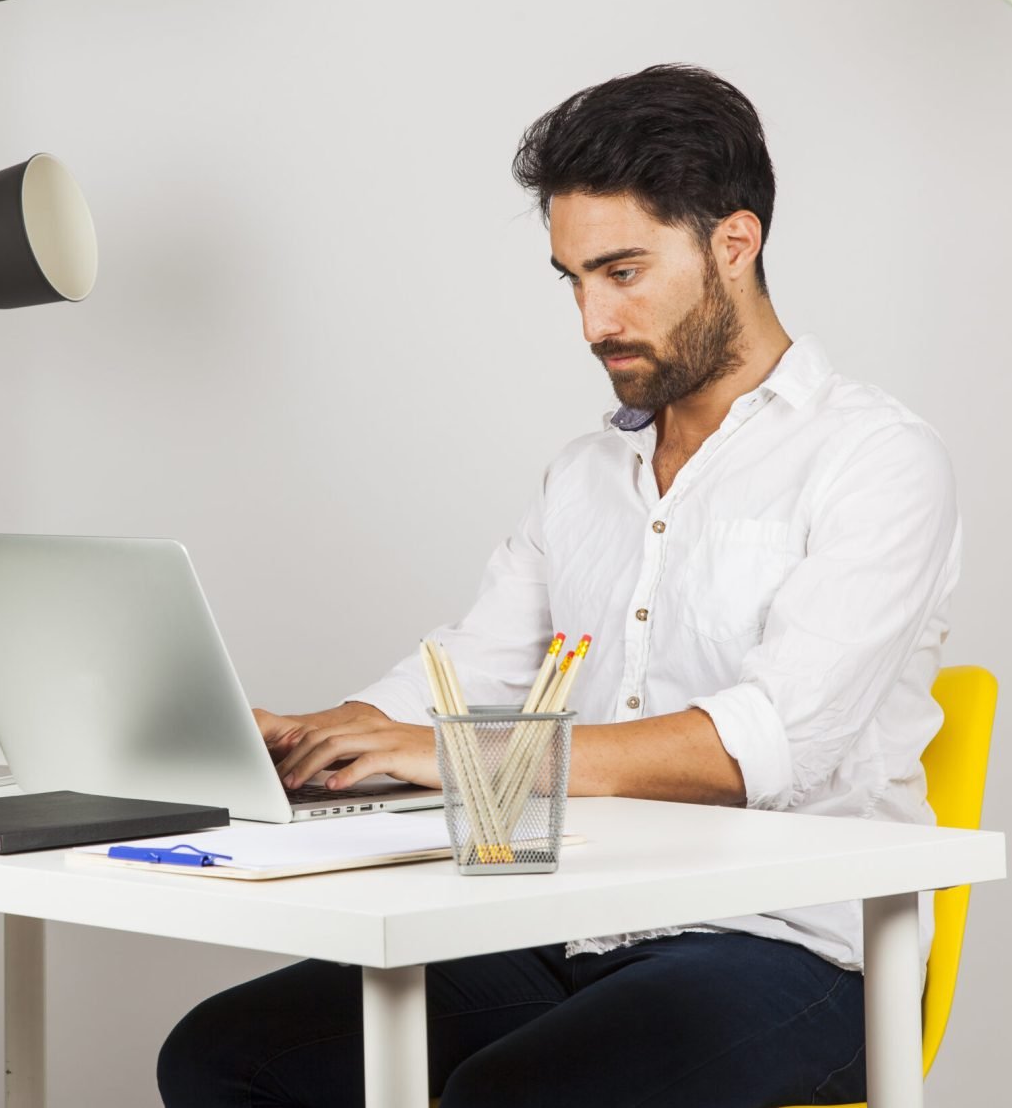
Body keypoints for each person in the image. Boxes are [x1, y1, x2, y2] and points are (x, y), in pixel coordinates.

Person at [156, 63, 960, 1108]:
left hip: (794, 945)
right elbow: (467, 668)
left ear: (734, 242)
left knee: (516, 1093)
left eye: (621, 271)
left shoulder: (876, 457)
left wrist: (460, 754)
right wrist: (311, 734)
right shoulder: (586, 475)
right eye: (573, 278)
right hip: (573, 923)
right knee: (224, 1052)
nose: (592, 320)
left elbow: (765, 744)